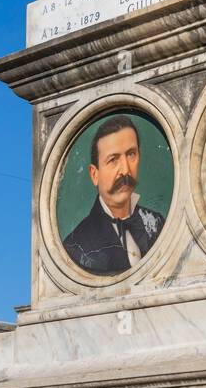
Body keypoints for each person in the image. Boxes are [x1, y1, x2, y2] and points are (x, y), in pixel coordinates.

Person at [63, 115, 165, 275]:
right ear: (94, 174)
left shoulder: (158, 223)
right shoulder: (74, 246)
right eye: (113, 160)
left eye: (131, 154)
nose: (125, 170)